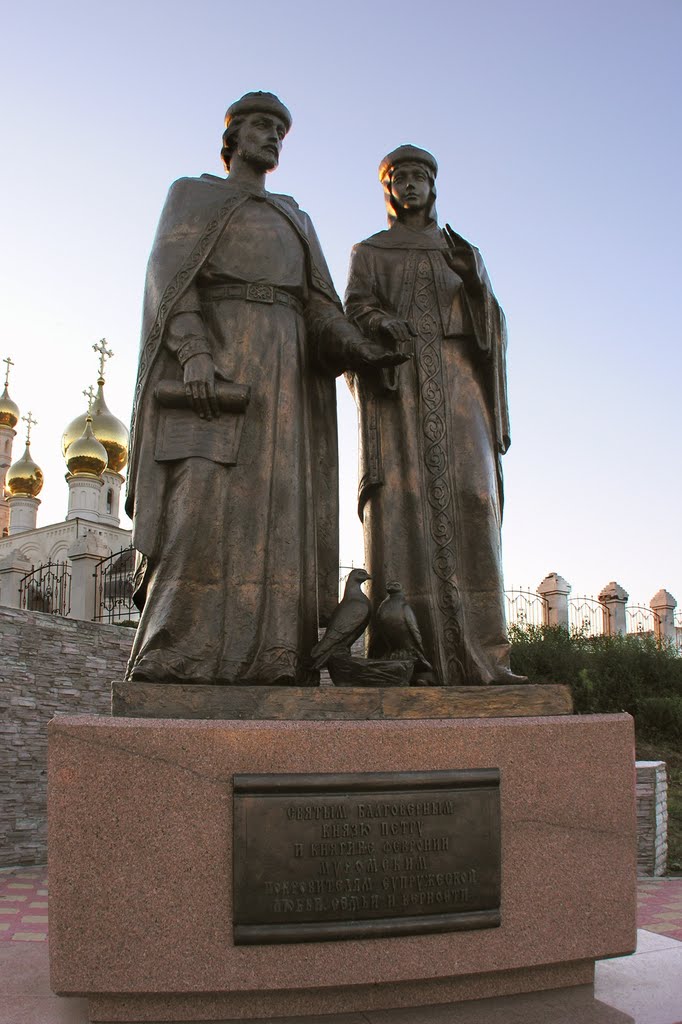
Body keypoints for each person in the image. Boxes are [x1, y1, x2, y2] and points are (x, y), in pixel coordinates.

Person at [125, 93, 403, 685]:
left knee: (281, 510)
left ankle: (278, 655)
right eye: (260, 125)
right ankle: (175, 649)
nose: (271, 136)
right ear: (231, 135)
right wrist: (194, 351)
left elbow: (322, 306)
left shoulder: (294, 217)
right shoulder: (193, 196)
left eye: (280, 129)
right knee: (197, 501)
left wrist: (362, 348)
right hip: (219, 362)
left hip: (287, 379)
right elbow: (170, 280)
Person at [345, 144, 522, 685]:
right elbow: (353, 309)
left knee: (473, 499)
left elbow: (493, 326)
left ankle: (487, 659)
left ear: (434, 186)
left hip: (458, 381)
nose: (412, 185)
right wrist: (380, 325)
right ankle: (404, 660)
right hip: (399, 391)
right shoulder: (370, 252)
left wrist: (474, 282)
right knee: (401, 509)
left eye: (421, 176)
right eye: (401, 177)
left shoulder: (460, 252)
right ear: (388, 188)